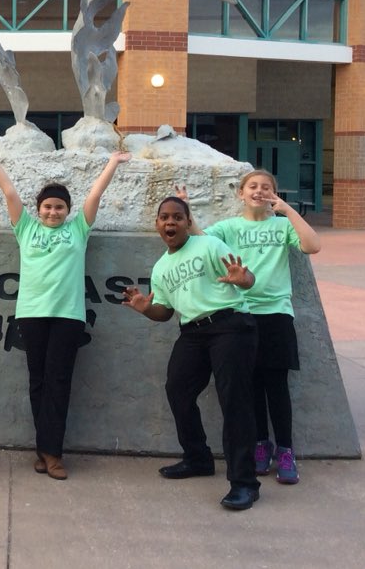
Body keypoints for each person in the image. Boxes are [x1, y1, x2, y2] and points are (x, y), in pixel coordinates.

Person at [0, 148, 131, 480]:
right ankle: (43, 450)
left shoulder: (78, 230)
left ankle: (53, 454)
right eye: (48, 206)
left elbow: (96, 193)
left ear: (68, 211)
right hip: (31, 314)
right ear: (39, 209)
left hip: (67, 316)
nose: (53, 211)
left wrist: (112, 163)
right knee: (38, 382)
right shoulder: (26, 229)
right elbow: (10, 192)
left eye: (59, 207)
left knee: (59, 382)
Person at [179, 171, 320, 484]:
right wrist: (187, 213)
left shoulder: (282, 226)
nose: (259, 191)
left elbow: (312, 246)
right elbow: (201, 241)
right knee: (250, 384)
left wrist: (288, 211)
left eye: (266, 187)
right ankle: (260, 445)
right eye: (253, 187)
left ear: (274, 193)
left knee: (277, 385)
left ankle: (285, 449)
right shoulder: (230, 227)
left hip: (277, 313)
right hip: (241, 313)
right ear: (240, 193)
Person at [121, 195, 261, 510]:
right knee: (178, 390)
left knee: (234, 401)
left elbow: (245, 277)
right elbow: (165, 313)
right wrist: (145, 308)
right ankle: (198, 458)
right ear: (157, 224)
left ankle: (244, 483)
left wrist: (245, 280)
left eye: (177, 217)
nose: (170, 222)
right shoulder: (160, 267)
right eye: (164, 218)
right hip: (193, 332)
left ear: (187, 221)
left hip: (230, 324)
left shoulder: (208, 245)